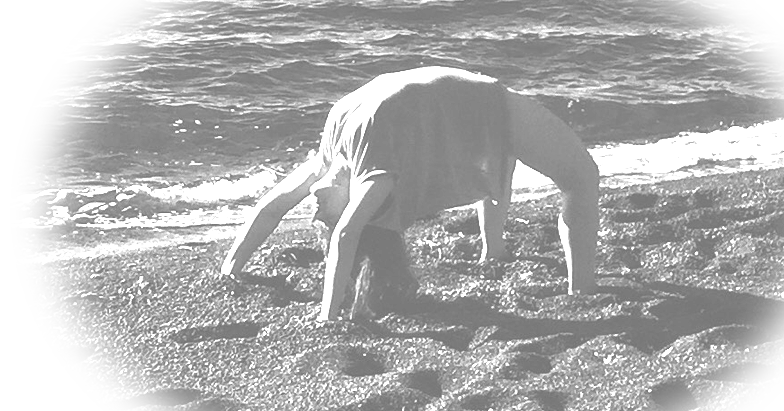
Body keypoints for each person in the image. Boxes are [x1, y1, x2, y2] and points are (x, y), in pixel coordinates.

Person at [221, 66, 600, 325]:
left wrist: (230, 270)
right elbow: (347, 234)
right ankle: (581, 291)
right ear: (360, 202)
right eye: (325, 213)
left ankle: (501, 253)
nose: (314, 212)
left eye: (320, 214)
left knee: (552, 171)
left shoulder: (334, 145)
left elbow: (276, 203)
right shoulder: (375, 177)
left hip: (479, 98)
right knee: (581, 177)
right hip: (485, 105)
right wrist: (330, 315)